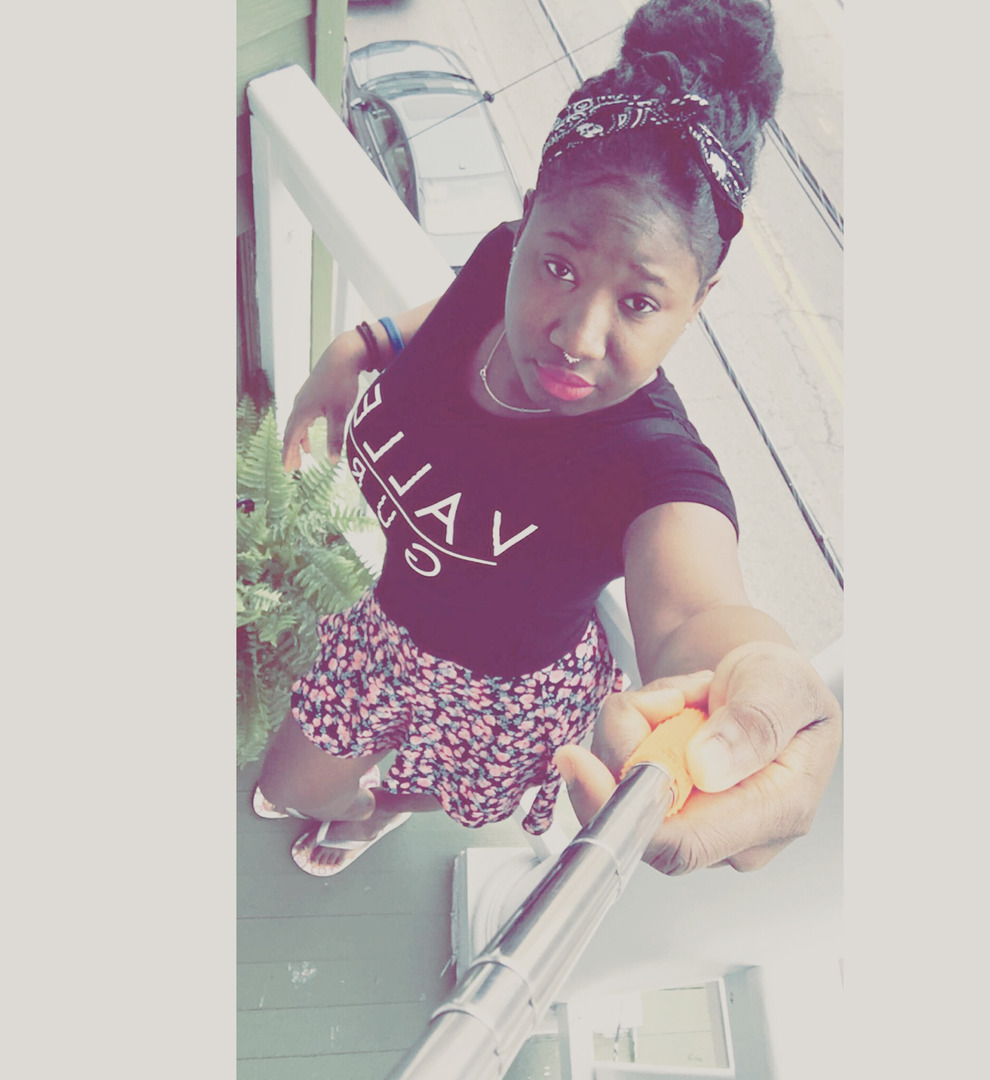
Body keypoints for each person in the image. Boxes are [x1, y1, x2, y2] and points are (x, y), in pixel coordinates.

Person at [256, 0, 842, 877]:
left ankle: (384, 812)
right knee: (292, 784)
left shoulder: (651, 460)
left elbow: (694, 609)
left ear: (700, 299)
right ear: (526, 224)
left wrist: (749, 682)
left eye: (639, 301)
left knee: (427, 788)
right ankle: (353, 798)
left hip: (501, 695)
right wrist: (362, 345)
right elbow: (453, 312)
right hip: (385, 625)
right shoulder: (499, 263)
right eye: (559, 266)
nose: (576, 335)